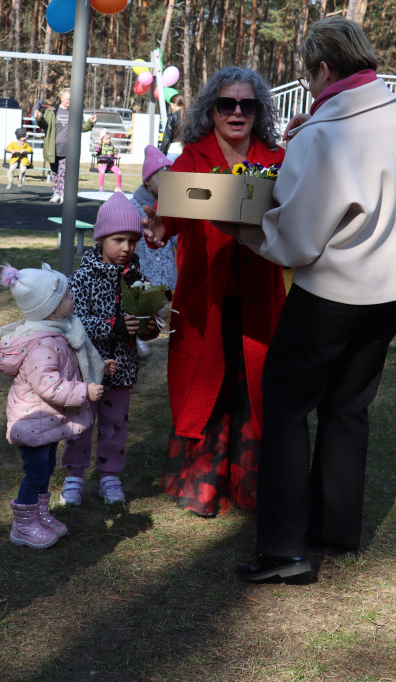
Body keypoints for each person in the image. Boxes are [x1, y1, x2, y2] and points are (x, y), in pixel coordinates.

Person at [229, 18, 396, 582]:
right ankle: (334, 527)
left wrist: (244, 229)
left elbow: (296, 236)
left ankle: (283, 551)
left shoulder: (324, 134)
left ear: (323, 68)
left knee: (288, 406)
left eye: (310, 76)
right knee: (348, 407)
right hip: (395, 289)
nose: (311, 89)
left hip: (335, 292)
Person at [143, 66, 287, 518]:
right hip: (207, 297)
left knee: (256, 388)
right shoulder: (191, 160)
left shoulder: (279, 159)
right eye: (228, 103)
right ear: (212, 109)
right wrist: (159, 226)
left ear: (259, 111)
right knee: (208, 384)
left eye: (248, 104)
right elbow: (174, 215)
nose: (238, 112)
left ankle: (249, 490)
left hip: (259, 295)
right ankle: (202, 488)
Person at [0, 263, 108, 548]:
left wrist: (100, 367)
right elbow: (50, 386)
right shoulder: (42, 345)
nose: (74, 296)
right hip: (34, 422)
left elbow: (66, 369)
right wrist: (85, 390)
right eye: (68, 294)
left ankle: (39, 515)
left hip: (44, 423)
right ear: (51, 308)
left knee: (44, 470)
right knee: (36, 473)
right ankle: (23, 525)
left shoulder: (58, 332)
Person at [62, 193, 158, 506]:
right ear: (101, 238)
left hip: (123, 367)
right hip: (87, 369)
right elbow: (72, 323)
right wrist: (111, 325)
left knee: (115, 425)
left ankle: (110, 476)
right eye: (118, 240)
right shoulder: (83, 278)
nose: (127, 248)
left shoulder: (137, 278)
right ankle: (74, 475)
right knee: (80, 423)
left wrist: (149, 326)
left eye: (133, 240)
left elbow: (142, 317)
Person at [130, 145, 176, 359]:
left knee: (158, 305)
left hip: (164, 271)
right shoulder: (133, 208)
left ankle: (145, 332)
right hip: (143, 269)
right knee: (139, 305)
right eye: (161, 176)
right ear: (147, 180)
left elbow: (177, 235)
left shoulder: (171, 206)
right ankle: (135, 336)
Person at [36, 88, 95, 204]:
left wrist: (90, 122)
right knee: (55, 172)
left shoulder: (75, 112)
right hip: (53, 148)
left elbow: (82, 127)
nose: (70, 101)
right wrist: (39, 118)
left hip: (68, 149)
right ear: (61, 98)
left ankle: (64, 194)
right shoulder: (52, 111)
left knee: (64, 173)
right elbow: (45, 125)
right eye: (68, 99)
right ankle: (56, 193)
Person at [93, 128, 122, 193]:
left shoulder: (111, 146)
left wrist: (116, 155)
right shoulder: (101, 145)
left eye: (109, 138)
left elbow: (114, 153)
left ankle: (118, 187)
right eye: (106, 139)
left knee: (119, 172)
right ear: (102, 139)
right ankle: (101, 187)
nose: (108, 140)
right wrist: (99, 142)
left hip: (111, 164)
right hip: (102, 164)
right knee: (102, 172)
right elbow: (97, 150)